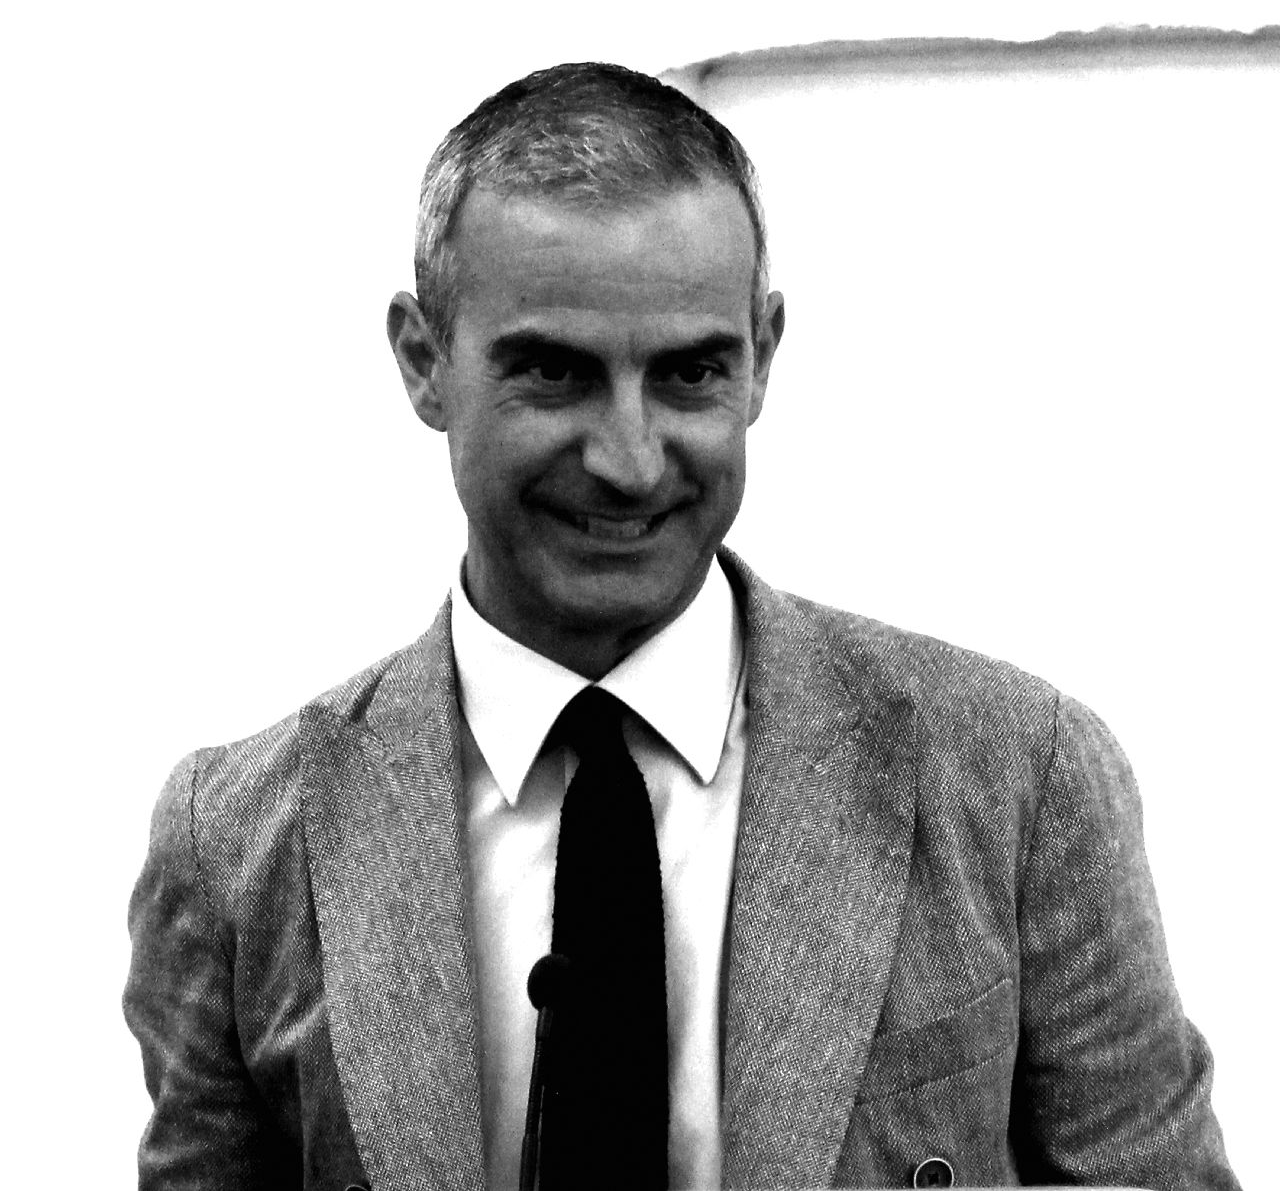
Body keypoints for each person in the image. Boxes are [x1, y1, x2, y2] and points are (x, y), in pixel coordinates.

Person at [124, 61, 1239, 1191]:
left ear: (762, 358)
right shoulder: (237, 845)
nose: (629, 458)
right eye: (553, 373)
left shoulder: (1017, 780)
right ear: (422, 361)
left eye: (689, 373)